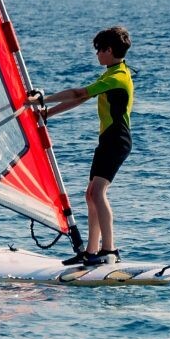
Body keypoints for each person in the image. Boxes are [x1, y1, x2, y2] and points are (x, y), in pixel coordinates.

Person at [34, 25, 134, 267]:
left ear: (109, 50)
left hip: (117, 140)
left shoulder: (118, 78)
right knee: (90, 194)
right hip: (107, 141)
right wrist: (47, 113)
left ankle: (109, 250)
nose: (97, 54)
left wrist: (43, 99)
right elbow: (82, 99)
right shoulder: (111, 73)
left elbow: (78, 93)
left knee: (98, 193)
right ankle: (91, 252)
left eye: (99, 50)